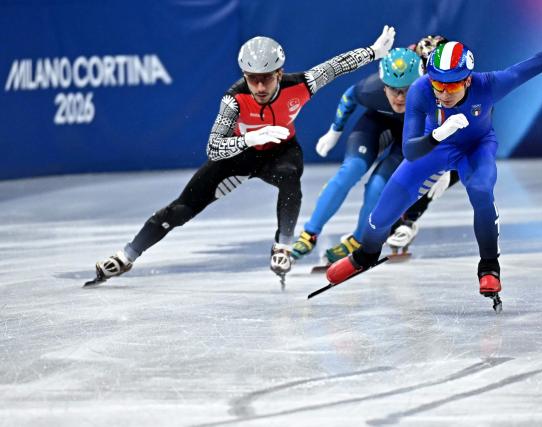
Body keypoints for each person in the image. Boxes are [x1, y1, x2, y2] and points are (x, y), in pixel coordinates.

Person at [327, 10, 542, 310]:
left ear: (467, 81)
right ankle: (365, 254)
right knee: (379, 218)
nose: (443, 93)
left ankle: (489, 267)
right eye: (438, 84)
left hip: (475, 146)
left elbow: (536, 64)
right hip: (433, 146)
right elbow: (412, 151)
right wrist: (438, 136)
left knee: (481, 190)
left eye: (452, 85)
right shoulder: (420, 90)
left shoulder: (489, 84)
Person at [86, 26, 396, 286]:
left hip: (281, 153)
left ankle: (283, 246)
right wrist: (249, 138)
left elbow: (333, 67)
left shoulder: (300, 85)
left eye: (267, 78)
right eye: (252, 78)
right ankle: (127, 256)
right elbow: (213, 147)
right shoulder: (234, 99)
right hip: (239, 155)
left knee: (291, 178)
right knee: (181, 209)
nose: (259, 86)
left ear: (280, 73)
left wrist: (373, 52)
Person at [292, 37, 459, 264]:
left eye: (406, 90)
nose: (400, 98)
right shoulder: (371, 89)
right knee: (350, 170)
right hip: (377, 124)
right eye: (393, 90)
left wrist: (448, 166)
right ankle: (309, 233)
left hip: (410, 136)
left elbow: (460, 127)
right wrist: (335, 131)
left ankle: (360, 239)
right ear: (383, 84)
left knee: (379, 186)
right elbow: (350, 96)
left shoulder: (438, 94)